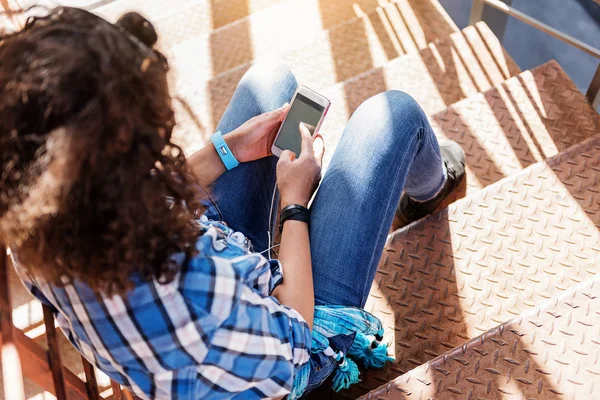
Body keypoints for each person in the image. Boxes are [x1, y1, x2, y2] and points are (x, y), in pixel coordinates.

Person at [0, 7, 465, 399]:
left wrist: (230, 149)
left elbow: (138, 194)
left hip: (204, 303)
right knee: (392, 117)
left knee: (270, 78)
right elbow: (295, 325)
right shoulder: (187, 280)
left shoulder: (34, 222)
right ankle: (431, 189)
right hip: (285, 347)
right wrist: (294, 202)